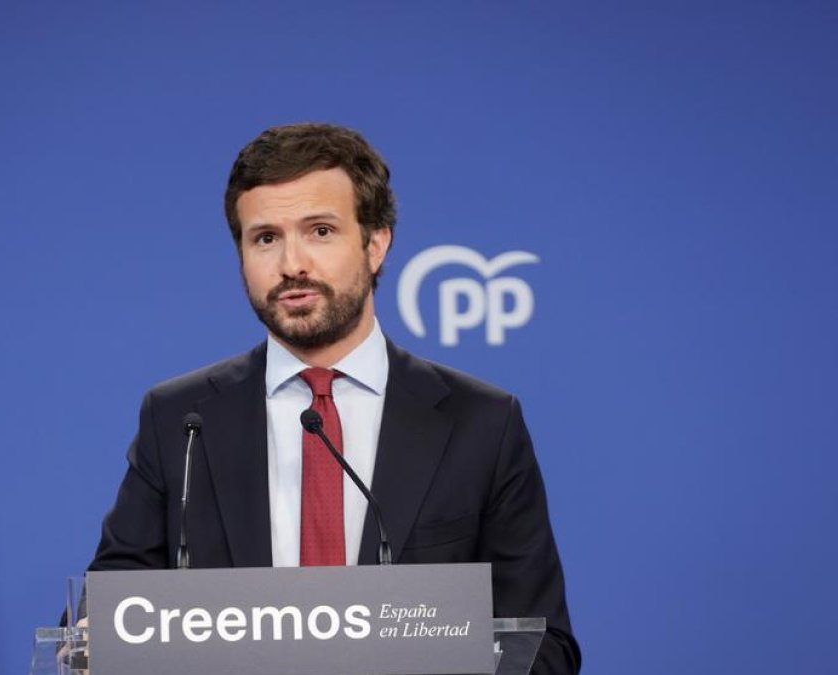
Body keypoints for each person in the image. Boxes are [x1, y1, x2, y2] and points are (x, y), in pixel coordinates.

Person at [88, 123, 581, 674]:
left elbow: (543, 645)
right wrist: (88, 638)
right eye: (265, 238)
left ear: (376, 244)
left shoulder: (481, 423)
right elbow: (104, 624)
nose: (291, 264)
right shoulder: (180, 420)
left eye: (320, 231)